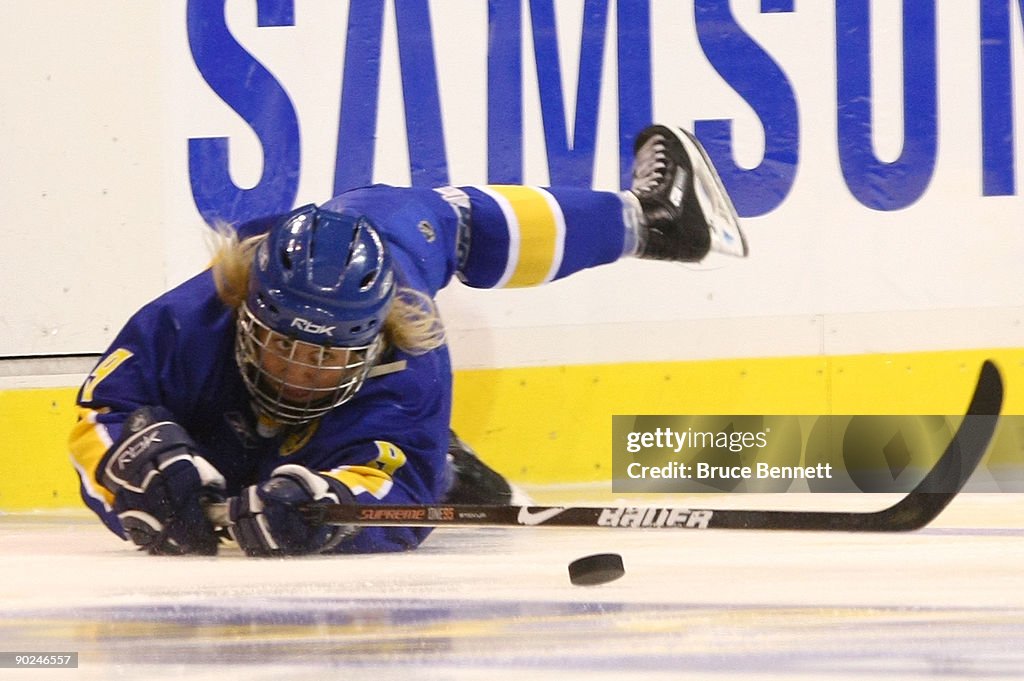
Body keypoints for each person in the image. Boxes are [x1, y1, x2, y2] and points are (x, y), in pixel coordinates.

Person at [68, 125, 747, 557]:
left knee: (422, 221)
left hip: (373, 412)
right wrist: (132, 473)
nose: (301, 376)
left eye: (329, 356)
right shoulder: (192, 317)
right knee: (421, 214)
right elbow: (101, 413)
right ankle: (654, 220)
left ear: (374, 338)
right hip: (232, 410)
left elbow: (400, 499)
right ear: (247, 310)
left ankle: (654, 220)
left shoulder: (410, 361)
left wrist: (331, 508)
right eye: (285, 348)